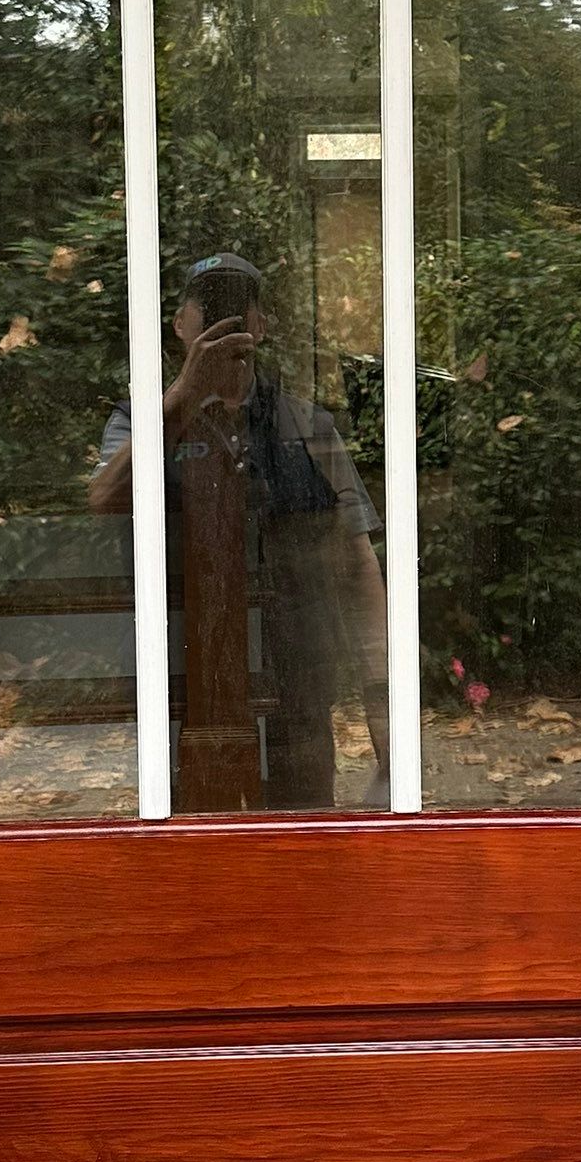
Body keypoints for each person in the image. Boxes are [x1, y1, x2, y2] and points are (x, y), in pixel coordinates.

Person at [89, 253, 389, 810]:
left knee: (303, 848)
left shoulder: (306, 424)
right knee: (193, 852)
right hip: (185, 696)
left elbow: (358, 562)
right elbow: (103, 502)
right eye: (209, 309)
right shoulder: (139, 421)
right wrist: (183, 395)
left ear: (261, 326)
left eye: (238, 308)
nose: (224, 322)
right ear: (181, 326)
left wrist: (382, 708)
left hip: (297, 690)